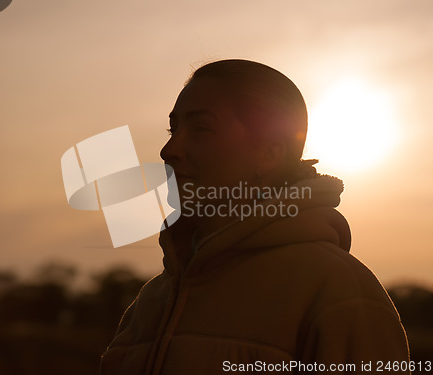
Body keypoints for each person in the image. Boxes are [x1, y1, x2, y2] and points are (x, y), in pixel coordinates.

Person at [99, 59, 410, 374]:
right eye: (173, 128)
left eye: (201, 129)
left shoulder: (339, 293)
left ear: (269, 154)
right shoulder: (152, 301)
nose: (169, 149)